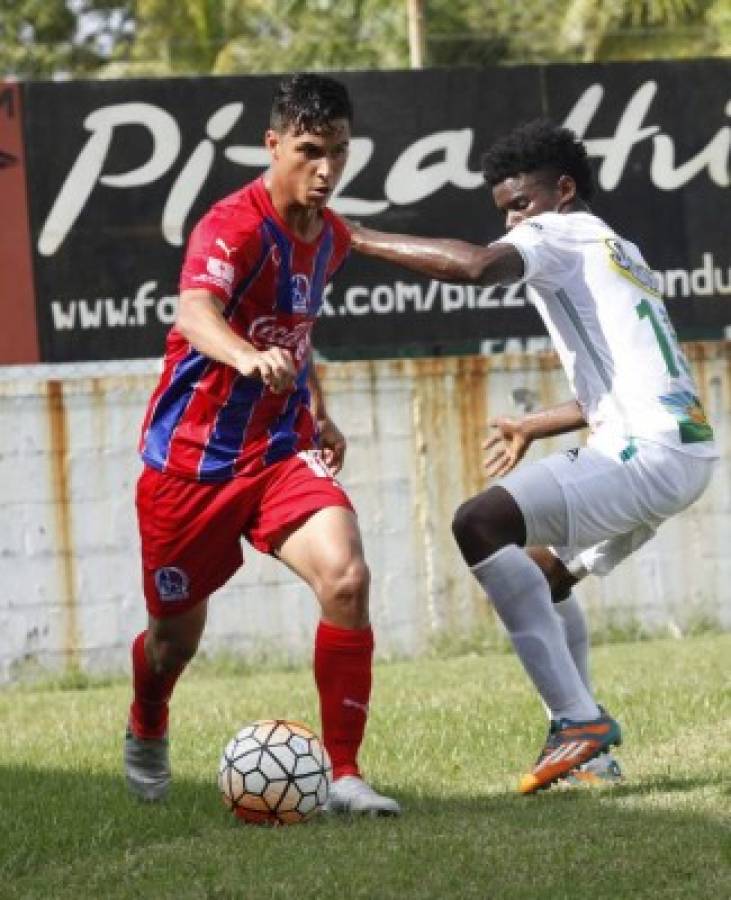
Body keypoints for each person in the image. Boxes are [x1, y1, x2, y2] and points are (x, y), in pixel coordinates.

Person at [347, 120, 717, 793]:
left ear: (563, 190)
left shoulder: (558, 231)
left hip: (642, 453)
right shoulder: (620, 248)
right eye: (504, 211)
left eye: (520, 203)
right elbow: (623, 382)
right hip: (682, 448)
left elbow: (473, 267)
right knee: (543, 580)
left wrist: (359, 237)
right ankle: (589, 754)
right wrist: (531, 424)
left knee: (478, 524)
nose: (513, 220)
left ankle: (578, 722)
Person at [124, 73, 400, 816]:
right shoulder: (232, 225)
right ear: (272, 144)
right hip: (189, 466)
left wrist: (318, 406)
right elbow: (192, 311)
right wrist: (243, 356)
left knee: (345, 576)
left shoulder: (330, 236)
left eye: (339, 152)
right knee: (170, 644)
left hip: (280, 450)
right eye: (309, 151)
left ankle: (344, 776)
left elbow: (296, 333)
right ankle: (148, 720)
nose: (326, 169)